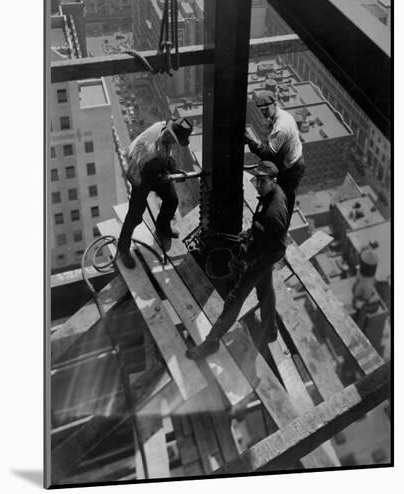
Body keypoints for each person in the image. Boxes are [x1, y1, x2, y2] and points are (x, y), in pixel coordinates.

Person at [186, 160, 290, 360]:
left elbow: (278, 249)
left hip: (262, 258)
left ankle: (211, 342)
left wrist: (251, 260)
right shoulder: (274, 193)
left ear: (273, 181)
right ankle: (270, 331)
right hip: (262, 251)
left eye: (262, 181)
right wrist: (251, 234)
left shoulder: (272, 213)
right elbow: (265, 232)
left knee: (235, 299)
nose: (258, 185)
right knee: (266, 292)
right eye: (257, 180)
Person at [117, 118, 192, 269]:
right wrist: (166, 174)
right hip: (140, 173)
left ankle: (162, 228)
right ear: (171, 135)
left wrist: (173, 169)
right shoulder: (152, 154)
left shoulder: (161, 127)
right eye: (176, 139)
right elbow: (152, 171)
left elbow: (165, 158)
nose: (176, 143)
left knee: (171, 200)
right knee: (135, 215)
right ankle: (123, 248)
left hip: (155, 168)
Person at [244, 89, 305, 219]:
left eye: (266, 108)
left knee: (283, 201)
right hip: (289, 163)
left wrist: (251, 141)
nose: (263, 112)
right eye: (261, 110)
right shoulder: (279, 115)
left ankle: (279, 229)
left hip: (292, 168)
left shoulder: (281, 127)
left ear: (274, 104)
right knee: (278, 196)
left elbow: (269, 155)